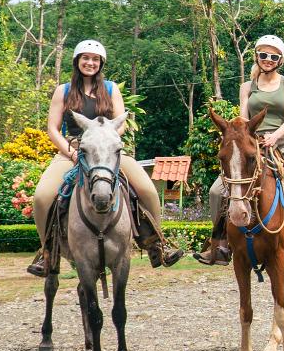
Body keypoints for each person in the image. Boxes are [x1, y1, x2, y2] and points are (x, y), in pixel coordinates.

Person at [25, 39, 183, 277]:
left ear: (101, 63)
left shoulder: (110, 89)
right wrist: (71, 152)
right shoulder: (64, 90)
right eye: (85, 58)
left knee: (148, 190)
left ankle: (157, 243)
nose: (90, 63)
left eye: (95, 59)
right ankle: (48, 252)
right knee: (42, 196)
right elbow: (53, 129)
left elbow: (120, 123)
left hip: (108, 151)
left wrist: (105, 140)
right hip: (73, 151)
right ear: (77, 61)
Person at [195, 35, 284, 264]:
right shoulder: (246, 87)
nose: (268, 60)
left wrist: (275, 136)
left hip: (281, 146)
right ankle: (219, 243)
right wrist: (239, 138)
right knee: (215, 191)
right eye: (263, 55)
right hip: (252, 147)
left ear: (280, 60)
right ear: (257, 57)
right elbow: (242, 118)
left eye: (273, 56)